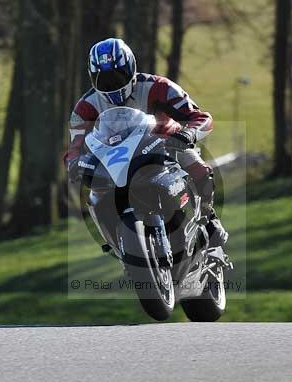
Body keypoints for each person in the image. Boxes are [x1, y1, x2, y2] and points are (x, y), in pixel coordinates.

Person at [63, 37, 228, 247]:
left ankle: (209, 218)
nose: (112, 85)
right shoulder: (85, 107)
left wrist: (188, 134)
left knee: (200, 171)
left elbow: (201, 117)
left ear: (131, 68)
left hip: (165, 145)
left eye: (118, 76)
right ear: (92, 78)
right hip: (117, 160)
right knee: (96, 196)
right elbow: (74, 147)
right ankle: (117, 244)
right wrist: (74, 163)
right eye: (104, 80)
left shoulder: (158, 87)